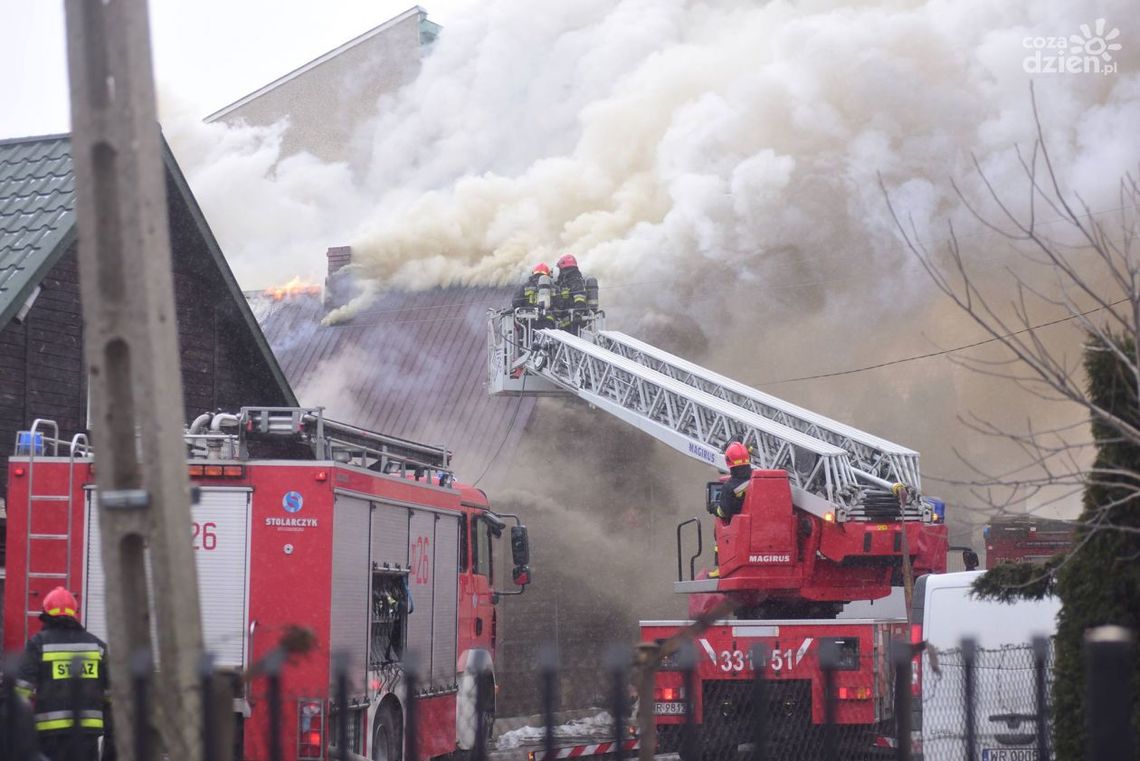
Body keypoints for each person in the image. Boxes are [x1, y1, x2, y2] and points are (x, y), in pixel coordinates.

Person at [16, 587, 113, 761]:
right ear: (74, 613)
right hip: (87, 732)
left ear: (46, 613)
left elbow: (22, 689)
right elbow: (110, 693)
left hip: (50, 732)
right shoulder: (97, 645)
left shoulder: (39, 643)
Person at [717, 441, 753, 521]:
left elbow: (724, 513)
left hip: (740, 531)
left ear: (728, 461)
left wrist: (714, 507)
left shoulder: (729, 487)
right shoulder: (761, 478)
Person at [553, 253, 587, 332]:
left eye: (559, 269)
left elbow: (579, 298)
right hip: (566, 325)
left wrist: (577, 313)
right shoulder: (566, 282)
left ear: (564, 268)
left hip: (574, 325)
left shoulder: (575, 280)